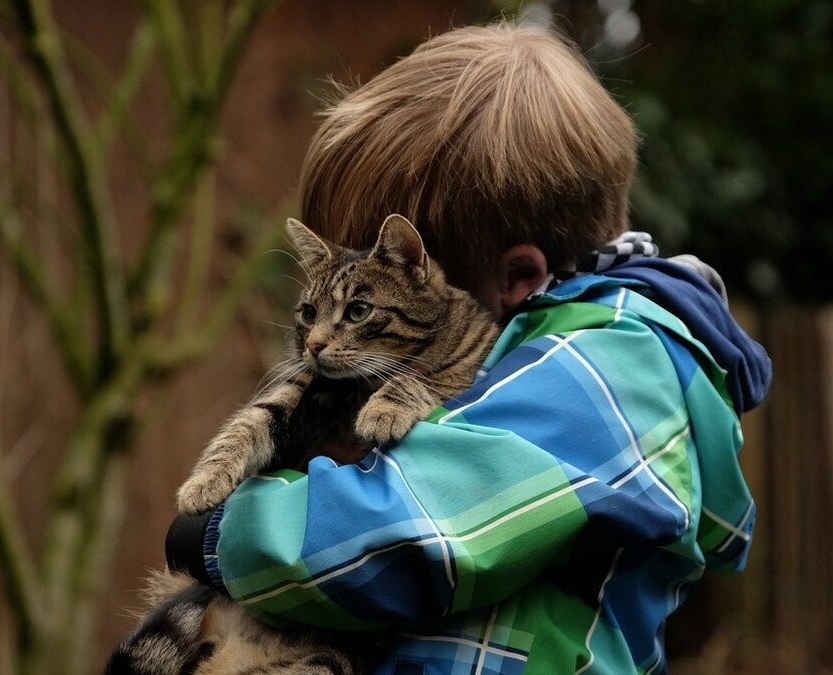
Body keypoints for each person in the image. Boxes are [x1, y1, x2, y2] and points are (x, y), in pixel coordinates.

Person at [166, 22, 771, 674]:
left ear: (518, 279)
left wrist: (219, 536)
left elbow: (407, 532)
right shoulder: (556, 356)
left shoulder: (614, 366)